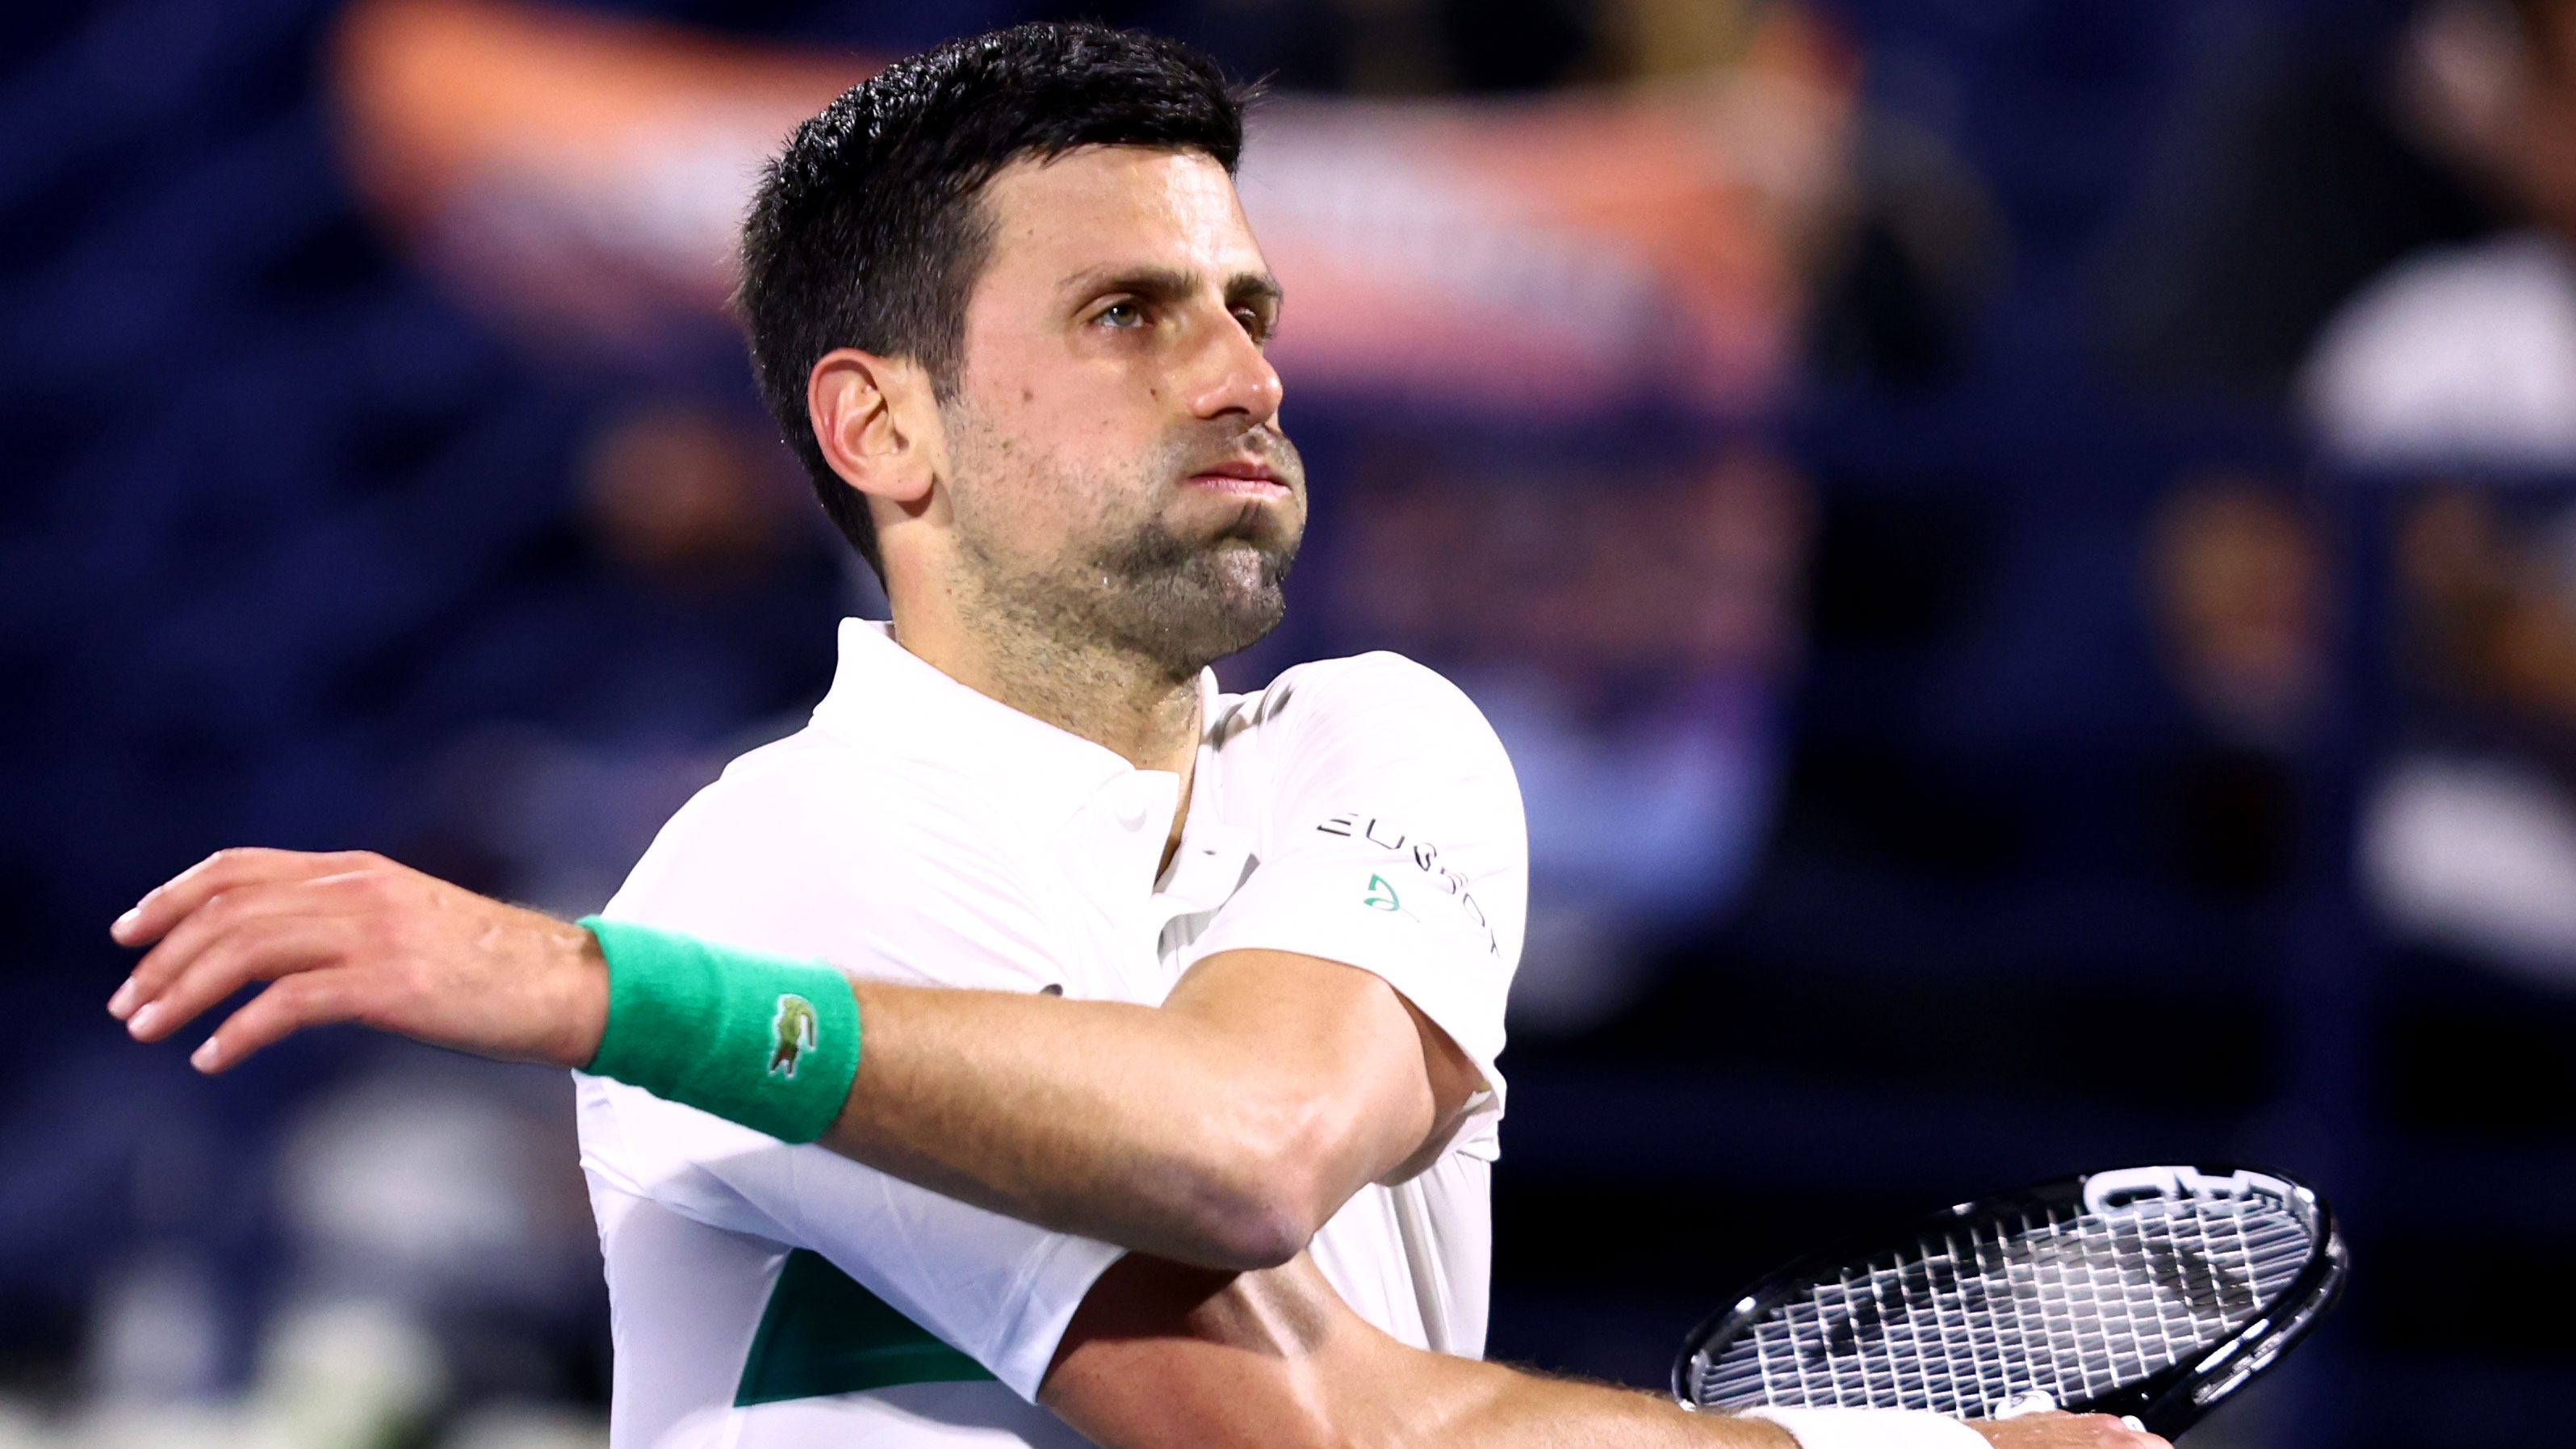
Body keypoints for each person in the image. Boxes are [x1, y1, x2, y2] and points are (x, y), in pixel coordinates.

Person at [105, 23, 2160, 1449]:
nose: (1242, 372)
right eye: (1127, 316)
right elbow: (1296, 1362)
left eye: (1251, 307)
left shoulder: (1390, 748)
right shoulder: (762, 878)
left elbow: (1277, 1127)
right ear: (878, 425)